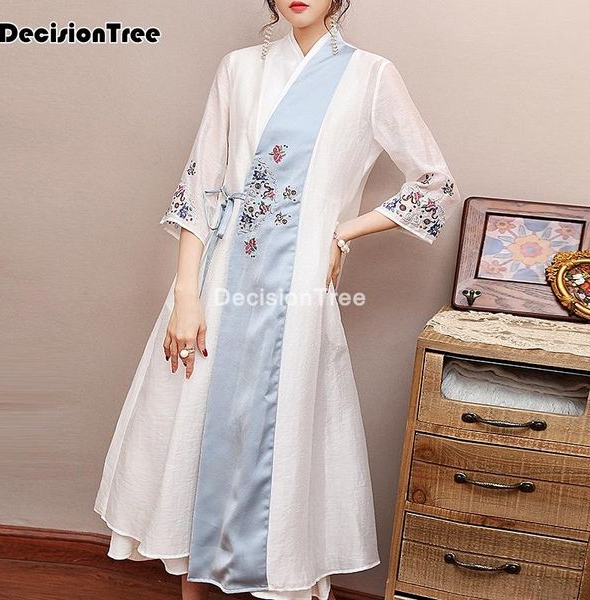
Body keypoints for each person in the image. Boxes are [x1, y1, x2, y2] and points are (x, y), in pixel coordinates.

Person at [94, 1, 462, 600]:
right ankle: (194, 583)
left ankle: (275, 572)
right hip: (217, 280)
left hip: (297, 292)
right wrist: (185, 297)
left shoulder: (370, 75)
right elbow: (201, 186)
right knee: (198, 423)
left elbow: (433, 182)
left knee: (281, 428)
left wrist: (342, 232)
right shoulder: (238, 68)